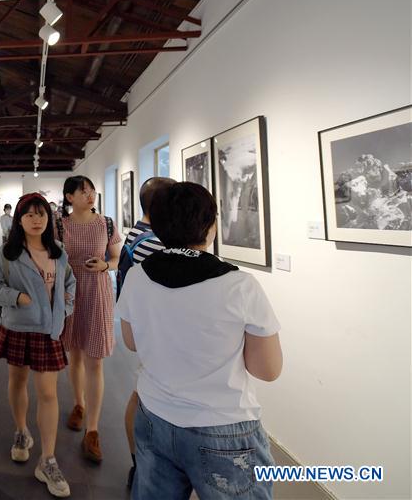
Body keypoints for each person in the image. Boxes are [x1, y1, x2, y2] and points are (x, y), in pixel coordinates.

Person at [118, 182, 282, 500]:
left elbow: (131, 342)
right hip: (223, 426)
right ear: (210, 226)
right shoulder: (239, 285)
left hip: (154, 415)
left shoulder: (138, 276)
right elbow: (268, 369)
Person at [0, 192, 76, 498]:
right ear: (19, 220)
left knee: (48, 393)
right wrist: (17, 298)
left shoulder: (58, 252)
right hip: (18, 327)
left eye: (42, 214)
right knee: (17, 380)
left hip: (48, 330)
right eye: (30, 214)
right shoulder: (7, 254)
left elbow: (69, 283)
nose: (37, 220)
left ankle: (47, 459)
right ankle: (21, 431)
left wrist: (66, 307)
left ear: (49, 218)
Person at [56, 175, 121, 463]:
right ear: (69, 197)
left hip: (97, 291)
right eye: (83, 191)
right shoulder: (60, 225)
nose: (90, 195)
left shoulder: (106, 223)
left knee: (95, 359)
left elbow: (117, 258)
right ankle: (78, 404)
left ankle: (92, 429)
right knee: (75, 354)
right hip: (70, 292)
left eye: (91, 190)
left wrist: (106, 265)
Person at [120, 176, 175, 488]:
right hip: (157, 332)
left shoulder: (140, 233)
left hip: (148, 328)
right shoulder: (153, 242)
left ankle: (140, 463)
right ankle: (142, 465)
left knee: (143, 390)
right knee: (144, 394)